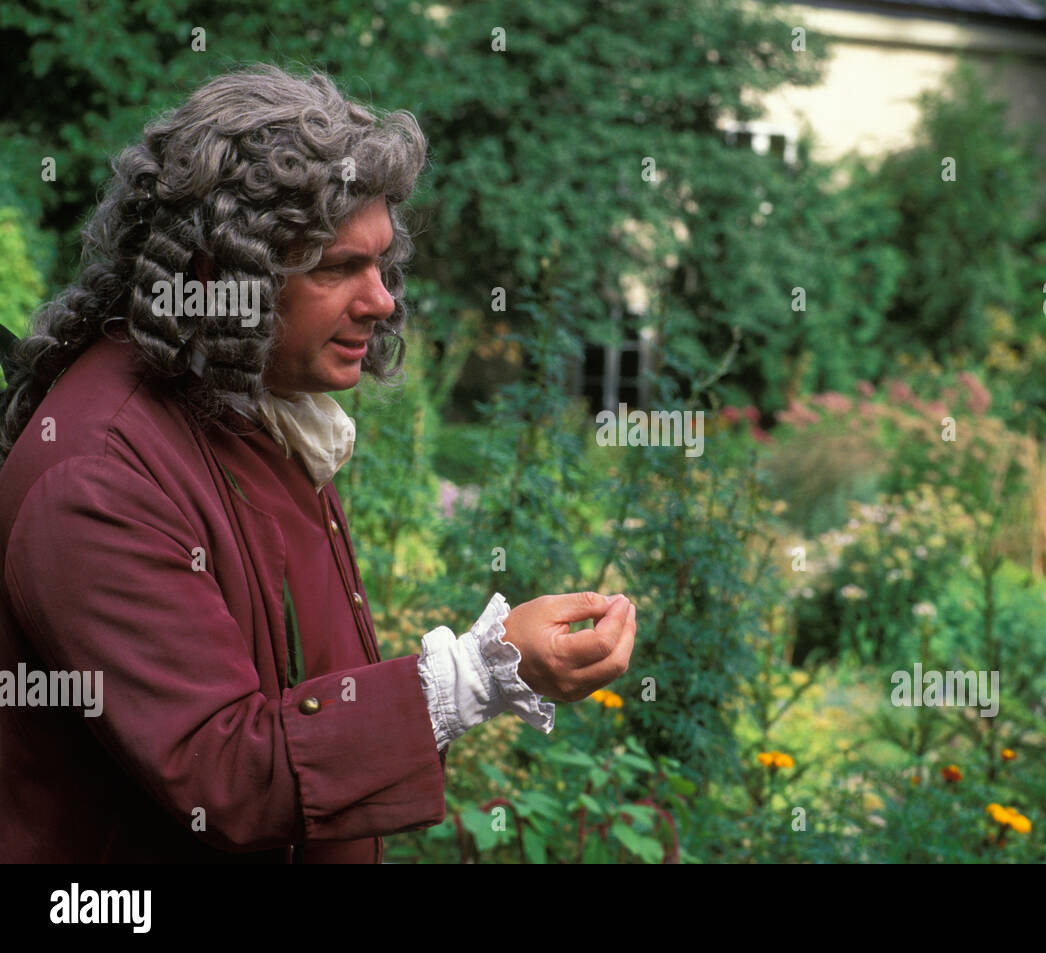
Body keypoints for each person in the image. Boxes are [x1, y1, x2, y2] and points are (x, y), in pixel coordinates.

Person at [0, 65, 635, 863]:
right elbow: (226, 768)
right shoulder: (97, 475)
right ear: (220, 277)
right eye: (337, 268)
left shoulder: (247, 406)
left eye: (380, 263)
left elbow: (306, 699)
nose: (383, 301)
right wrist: (477, 674)